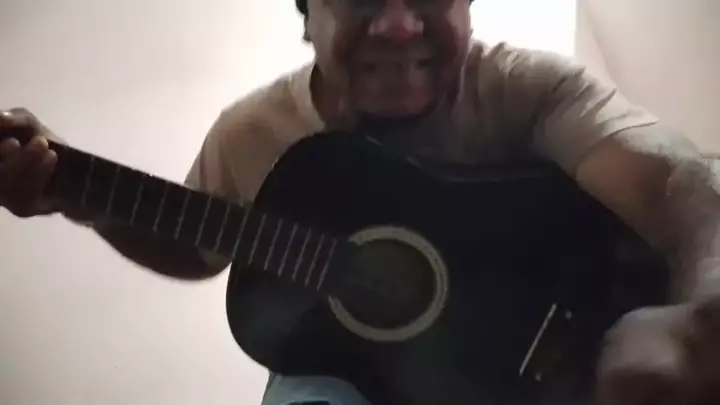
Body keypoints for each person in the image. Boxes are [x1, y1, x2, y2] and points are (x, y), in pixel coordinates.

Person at [1, 0, 719, 404]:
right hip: (351, 374)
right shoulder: (256, 132)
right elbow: (194, 245)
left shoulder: (530, 88)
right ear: (307, 18)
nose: (399, 26)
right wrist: (79, 194)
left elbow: (681, 188)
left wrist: (697, 321)